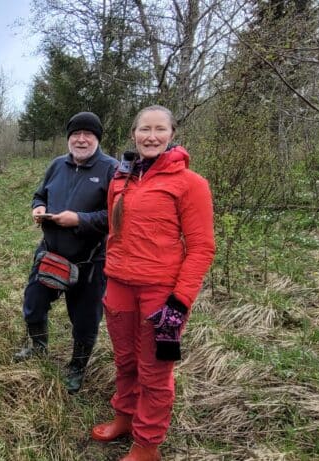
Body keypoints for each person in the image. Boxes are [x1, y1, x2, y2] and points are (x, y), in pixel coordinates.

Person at [90, 105, 215, 461]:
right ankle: (124, 418)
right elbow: (115, 233)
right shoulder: (120, 178)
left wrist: (180, 300)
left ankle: (147, 445)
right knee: (125, 361)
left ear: (172, 134)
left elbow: (202, 247)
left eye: (160, 129)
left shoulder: (190, 184)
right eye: (145, 129)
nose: (152, 136)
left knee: (155, 372)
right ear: (134, 133)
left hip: (162, 294)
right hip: (118, 287)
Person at [15, 111, 118, 394]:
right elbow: (40, 194)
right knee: (33, 304)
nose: (81, 139)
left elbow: (118, 216)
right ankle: (38, 347)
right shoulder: (57, 165)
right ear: (69, 138)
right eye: (75, 134)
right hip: (50, 254)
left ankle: (77, 367)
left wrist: (80, 220)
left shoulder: (112, 169)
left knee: (85, 320)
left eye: (88, 134)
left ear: (97, 138)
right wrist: (38, 207)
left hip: (90, 261)